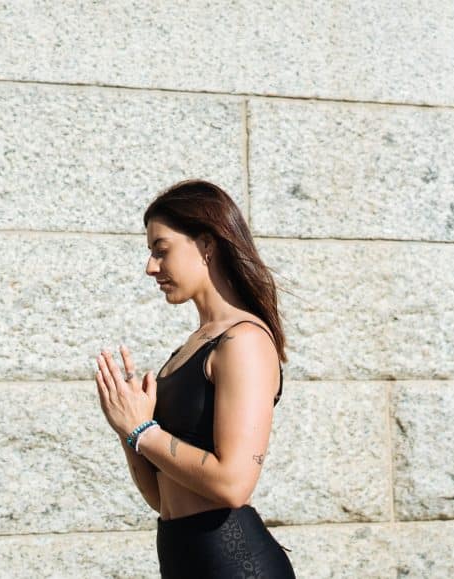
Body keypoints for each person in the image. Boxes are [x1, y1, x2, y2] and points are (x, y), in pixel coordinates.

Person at [94, 179, 296, 578]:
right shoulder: (194, 346)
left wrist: (144, 431)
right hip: (184, 560)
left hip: (235, 566)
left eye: (161, 250)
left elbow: (233, 484)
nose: (151, 266)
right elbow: (162, 498)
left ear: (206, 245)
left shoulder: (244, 342)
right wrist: (126, 430)